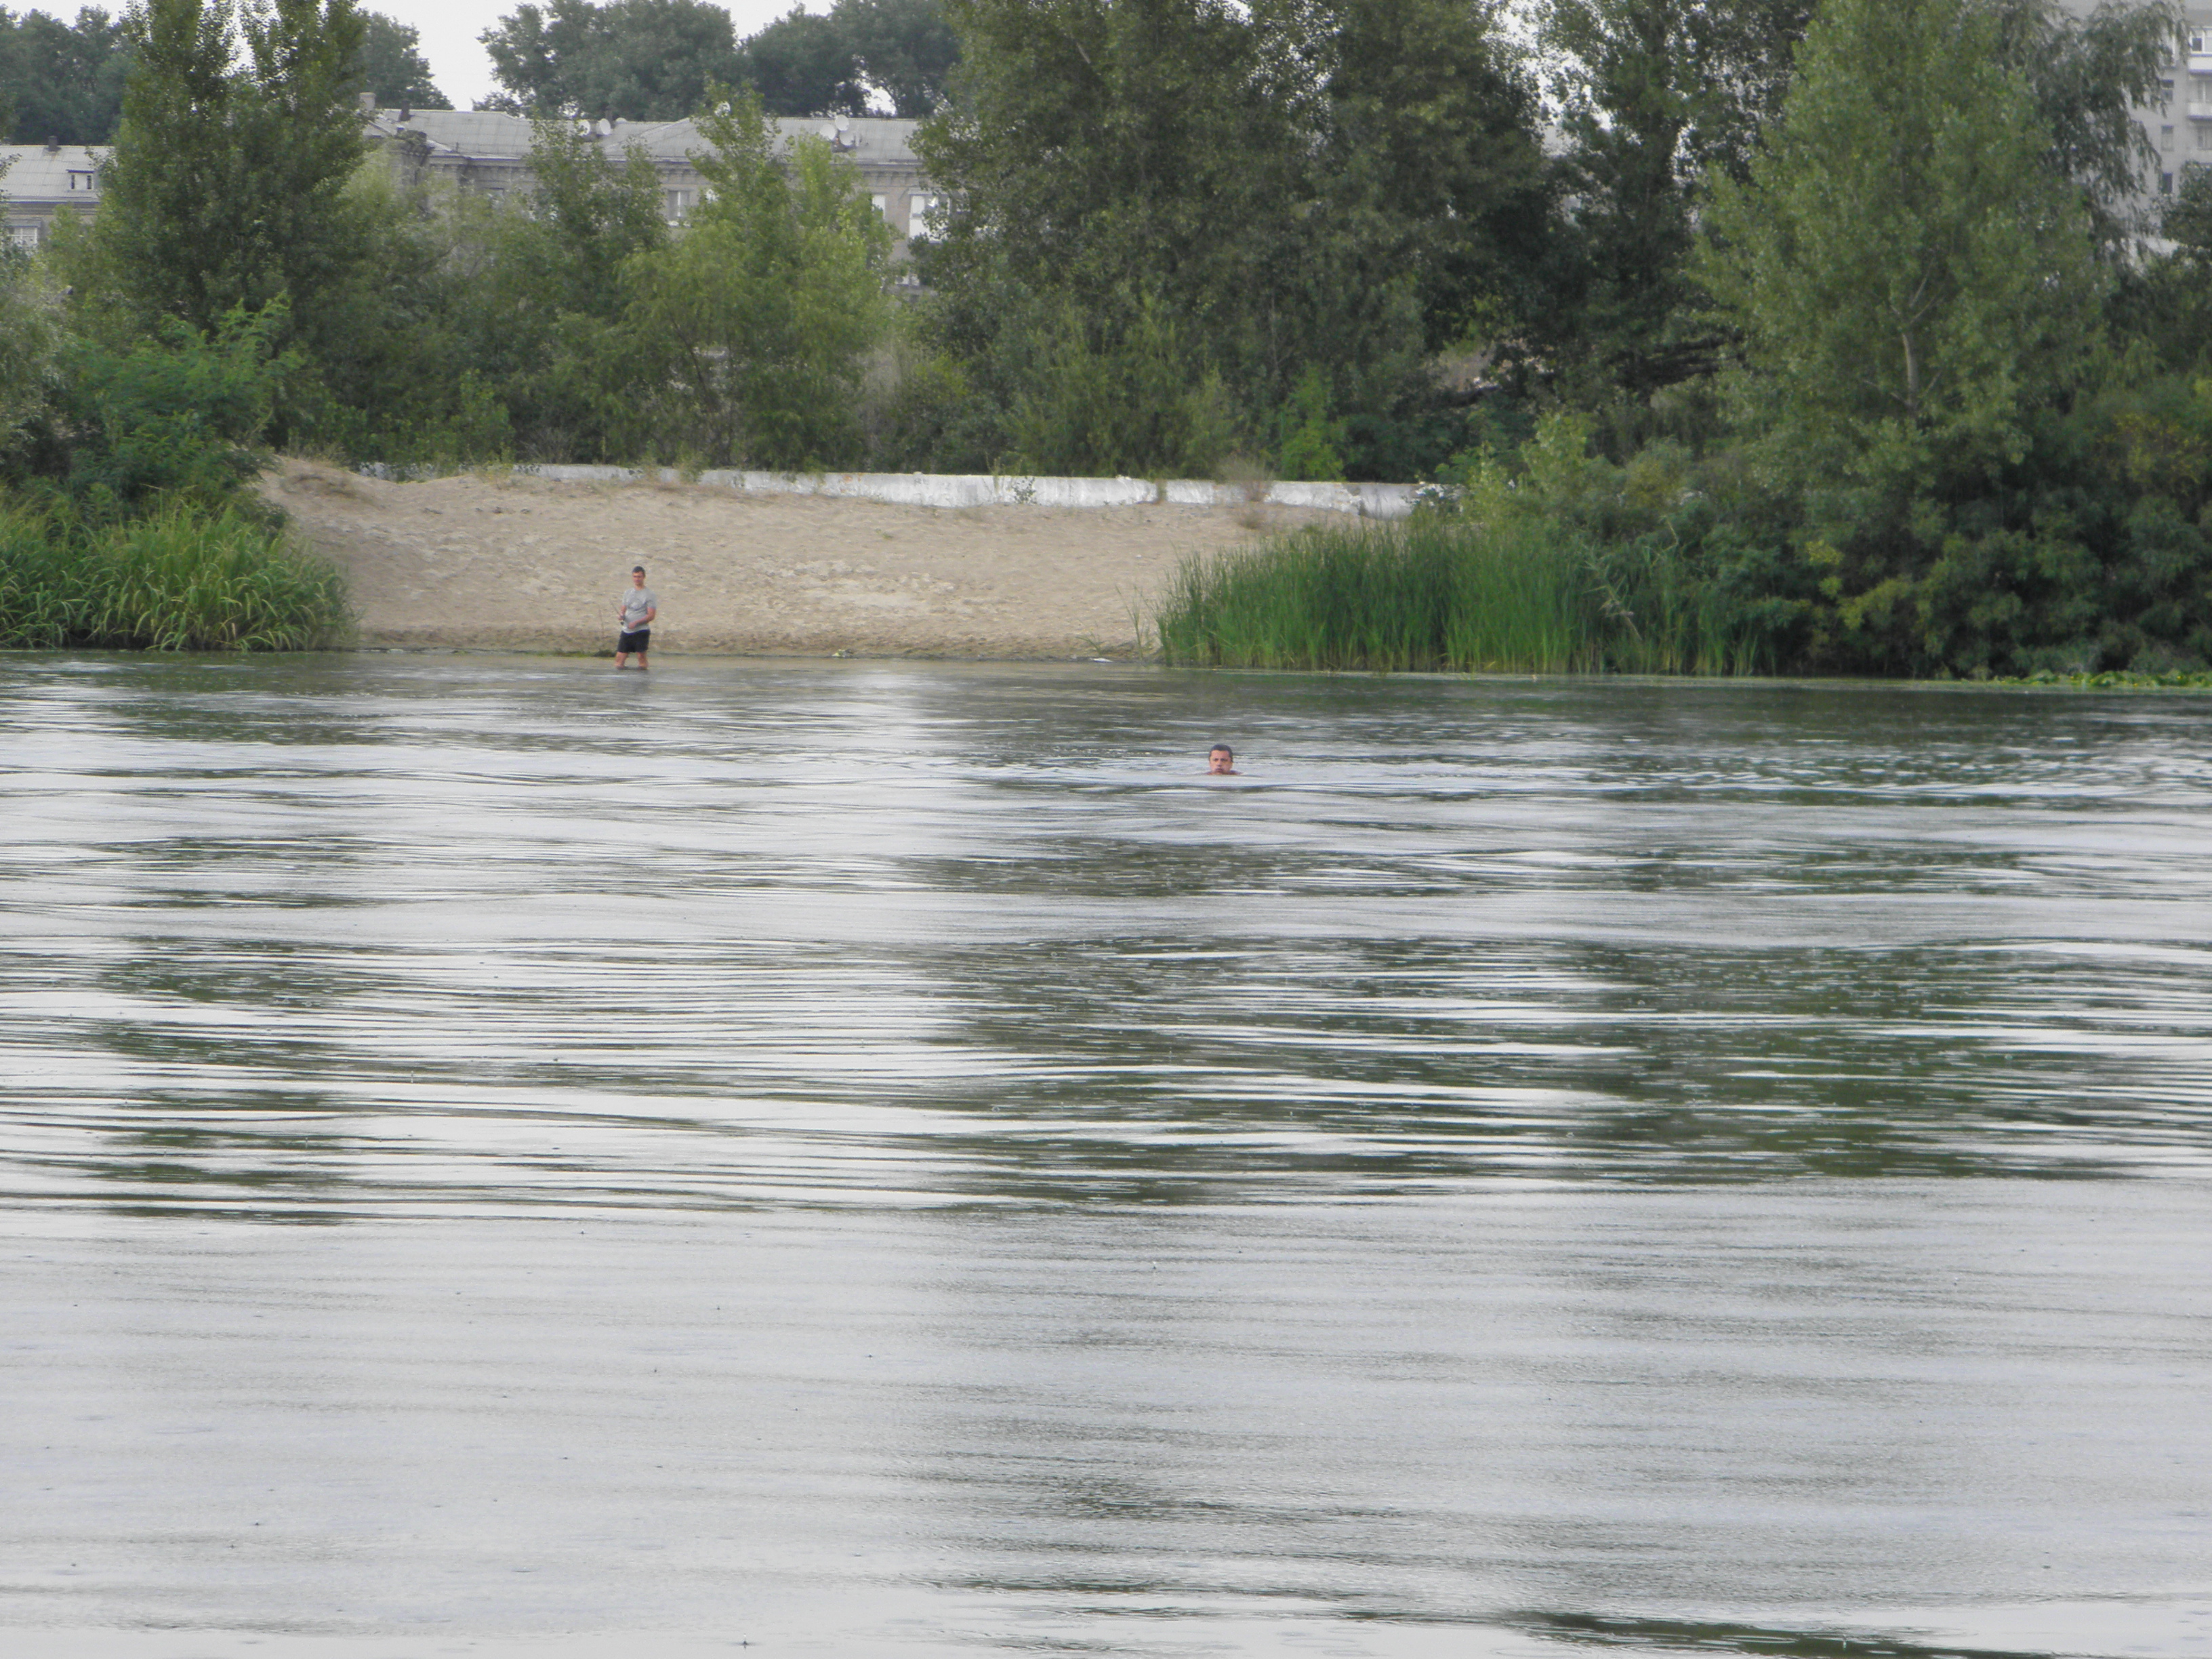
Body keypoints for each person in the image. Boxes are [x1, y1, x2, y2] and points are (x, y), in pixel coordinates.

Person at [615, 566, 657, 670]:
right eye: (635, 577)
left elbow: (651, 616)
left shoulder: (649, 594)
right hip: (626, 630)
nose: (637, 579)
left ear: (644, 577)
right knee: (619, 660)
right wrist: (621, 616)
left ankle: (642, 682)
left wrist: (637, 623)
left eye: (639, 577)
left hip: (641, 631)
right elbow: (623, 609)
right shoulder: (627, 593)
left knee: (641, 657)